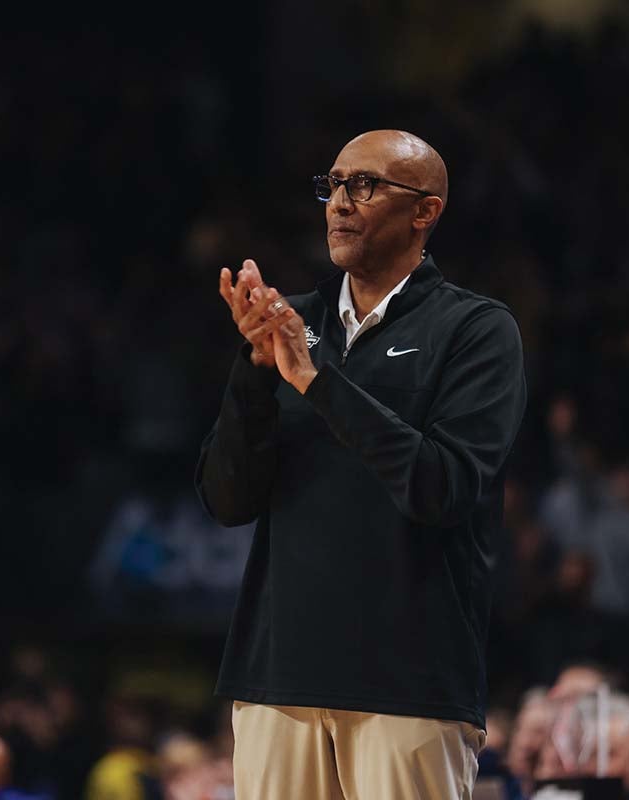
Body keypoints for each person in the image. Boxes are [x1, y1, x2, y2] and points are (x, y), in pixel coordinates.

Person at [196, 129, 527, 799]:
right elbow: (226, 502)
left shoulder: (475, 331)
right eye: (334, 184)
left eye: (364, 185)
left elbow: (442, 487)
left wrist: (318, 380)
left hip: (409, 685)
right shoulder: (293, 323)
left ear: (425, 211)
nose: (340, 203)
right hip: (276, 679)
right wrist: (256, 373)